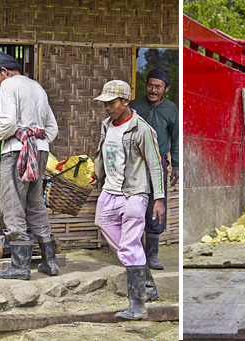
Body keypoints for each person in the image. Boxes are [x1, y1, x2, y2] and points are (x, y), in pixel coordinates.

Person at [0, 52, 59, 280]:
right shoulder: (37, 87)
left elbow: (7, 124)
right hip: (40, 150)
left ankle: (20, 266)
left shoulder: (9, 85)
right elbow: (52, 129)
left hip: (18, 152)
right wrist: (34, 138)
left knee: (12, 203)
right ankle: (50, 261)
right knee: (35, 202)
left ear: (5, 72)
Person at [93, 80, 165, 320]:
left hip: (135, 193)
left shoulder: (141, 129)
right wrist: (97, 175)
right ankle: (148, 285)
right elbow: (103, 155)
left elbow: (155, 165)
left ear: (125, 101)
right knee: (104, 224)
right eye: (105, 104)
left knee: (130, 245)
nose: (107, 108)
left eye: (111, 103)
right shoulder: (106, 125)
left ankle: (137, 305)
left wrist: (159, 198)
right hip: (109, 191)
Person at [129, 68, 178, 270]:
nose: (153, 89)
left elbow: (175, 139)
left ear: (166, 88)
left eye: (158, 86)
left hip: (157, 165)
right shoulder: (134, 106)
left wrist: (176, 166)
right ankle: (135, 254)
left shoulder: (171, 109)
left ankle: (153, 256)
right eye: (150, 85)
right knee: (133, 207)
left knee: (156, 206)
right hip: (134, 165)